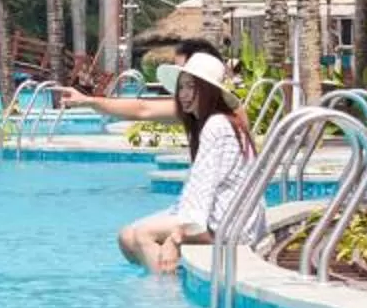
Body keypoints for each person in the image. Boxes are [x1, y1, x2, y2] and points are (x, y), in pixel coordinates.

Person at [103, 53, 256, 274]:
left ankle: (165, 288)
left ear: (209, 91)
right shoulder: (209, 121)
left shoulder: (217, 126)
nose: (183, 94)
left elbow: (202, 191)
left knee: (143, 234)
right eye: (181, 87)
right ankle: (167, 275)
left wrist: (176, 237)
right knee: (127, 237)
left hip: (229, 223)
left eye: (192, 87)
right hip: (220, 215)